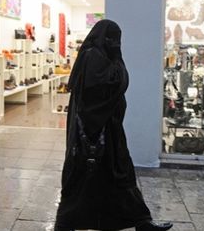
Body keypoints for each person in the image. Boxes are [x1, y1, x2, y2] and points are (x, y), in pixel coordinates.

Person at [54, 19, 173, 231]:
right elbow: (106, 88)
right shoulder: (94, 57)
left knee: (118, 176)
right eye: (113, 39)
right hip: (93, 132)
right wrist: (118, 64)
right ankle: (65, 224)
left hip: (105, 129)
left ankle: (141, 221)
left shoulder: (96, 55)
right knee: (84, 178)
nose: (116, 44)